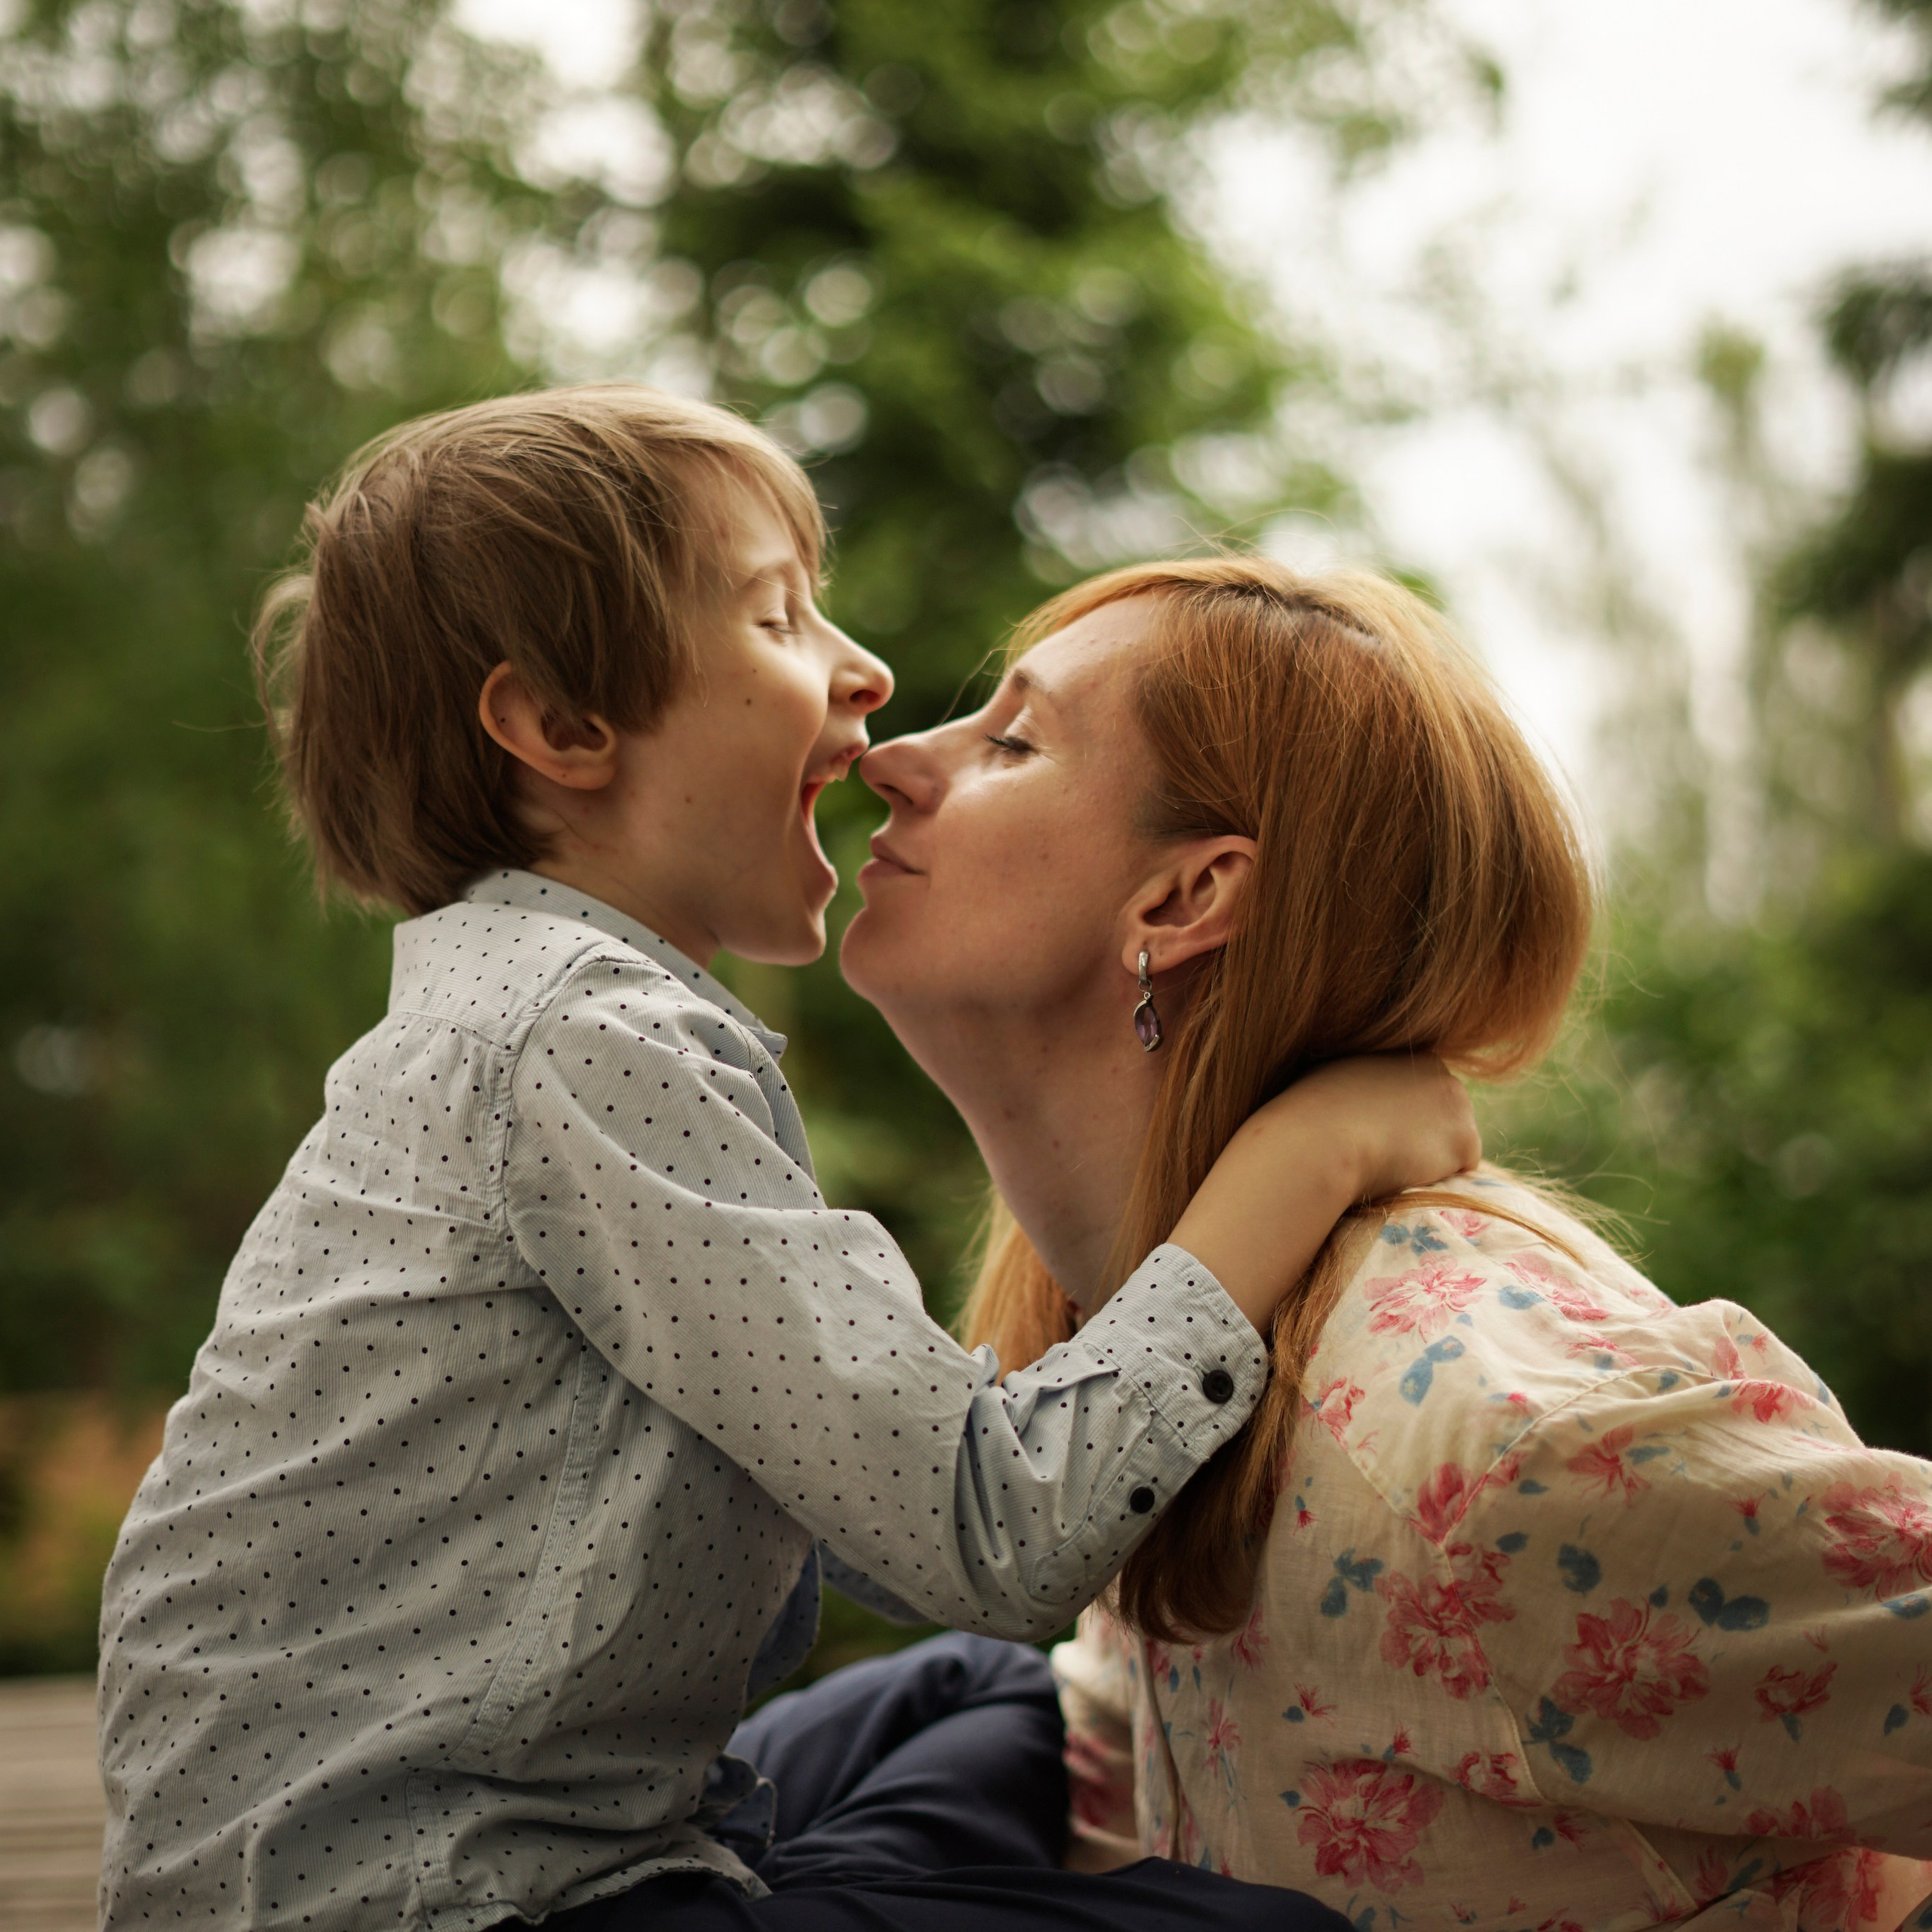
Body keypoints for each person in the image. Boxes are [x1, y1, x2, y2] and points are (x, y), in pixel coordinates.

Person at [95, 387, 1478, 1932]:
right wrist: (1310, 1145)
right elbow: (991, 1533)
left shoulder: (522, 1011)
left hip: (402, 1842)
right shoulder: (583, 1041)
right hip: (462, 1902)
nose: (870, 674)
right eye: (776, 613)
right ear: (562, 729)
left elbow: (886, 1515)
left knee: (969, 1692)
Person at [838, 556, 1932, 1932]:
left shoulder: (1494, 1443)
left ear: (1186, 899)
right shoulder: (1147, 1381)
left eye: (1011, 739)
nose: (888, 763)